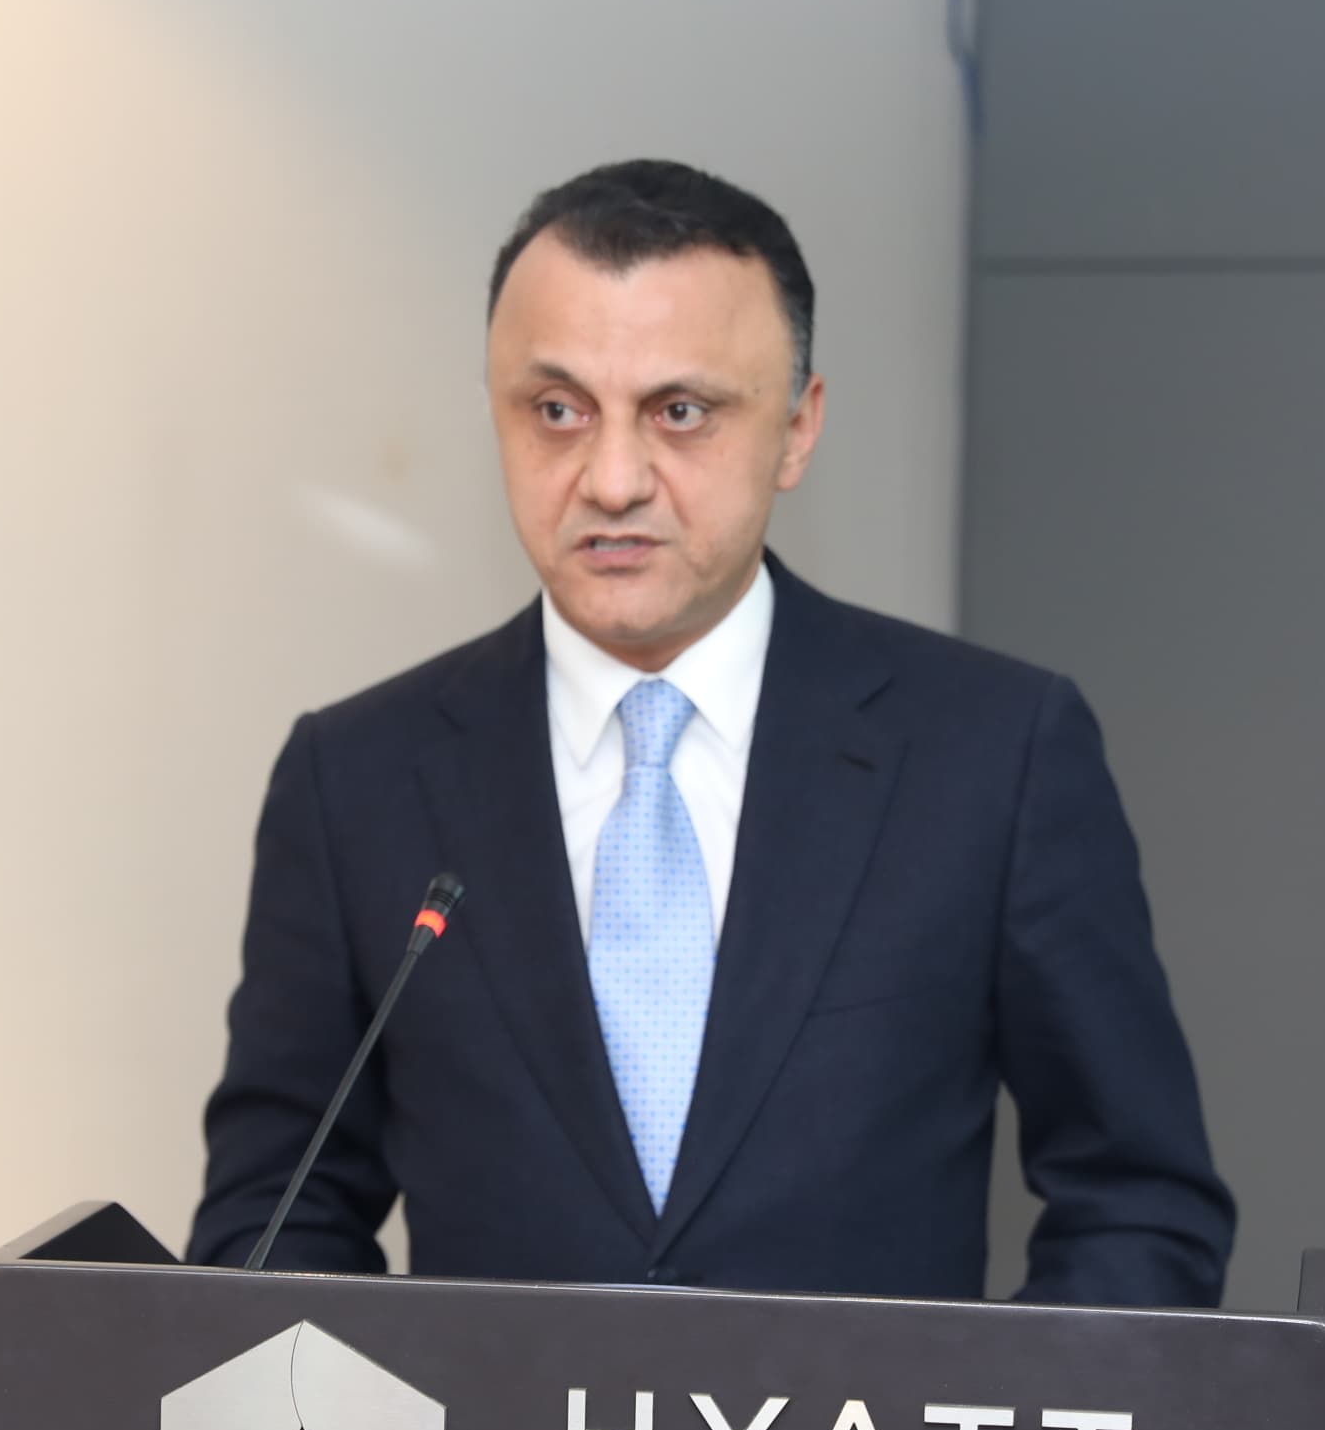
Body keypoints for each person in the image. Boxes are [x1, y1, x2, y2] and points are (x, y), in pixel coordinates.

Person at [188, 159, 1232, 1306]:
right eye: (557, 412)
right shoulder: (359, 782)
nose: (615, 477)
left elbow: (1137, 1198)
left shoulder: (995, 755)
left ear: (795, 429)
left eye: (680, 413)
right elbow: (275, 1216)